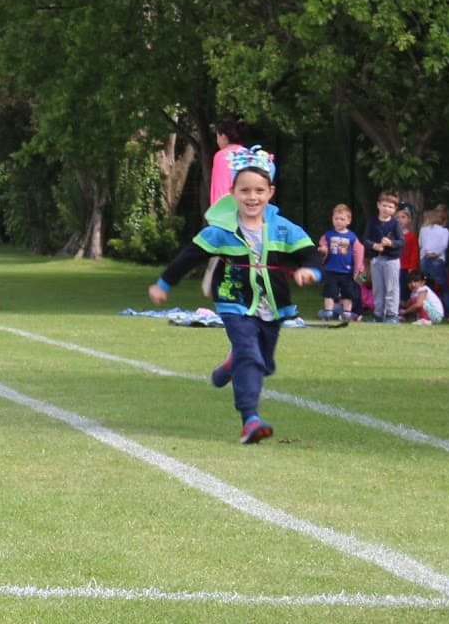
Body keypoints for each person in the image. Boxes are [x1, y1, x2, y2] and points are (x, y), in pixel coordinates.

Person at [148, 147, 320, 444]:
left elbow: (311, 254)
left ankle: (230, 365)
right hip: (234, 301)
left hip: (272, 306)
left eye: (259, 191)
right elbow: (188, 257)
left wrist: (311, 271)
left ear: (270, 192)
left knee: (264, 363)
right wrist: (163, 284)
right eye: (245, 191)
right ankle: (250, 420)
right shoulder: (221, 231)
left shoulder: (283, 228)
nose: (252, 197)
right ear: (233, 193)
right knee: (250, 356)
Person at [315, 204, 363, 321]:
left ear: (348, 221)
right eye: (336, 218)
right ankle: (328, 312)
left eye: (342, 219)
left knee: (348, 293)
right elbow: (322, 247)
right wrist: (322, 250)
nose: (338, 221)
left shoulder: (352, 237)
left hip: (347, 271)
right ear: (332, 219)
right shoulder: (328, 235)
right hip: (331, 269)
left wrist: (358, 268)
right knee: (329, 292)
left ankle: (347, 313)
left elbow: (359, 252)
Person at [363, 192, 402, 323]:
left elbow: (401, 242)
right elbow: (366, 239)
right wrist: (374, 246)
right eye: (384, 205)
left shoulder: (395, 224)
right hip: (376, 259)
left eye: (390, 207)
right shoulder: (372, 222)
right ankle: (378, 314)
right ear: (378, 205)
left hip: (391, 260)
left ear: (395, 209)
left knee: (391, 288)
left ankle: (392, 315)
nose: (387, 209)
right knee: (378, 289)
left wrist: (390, 243)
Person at [418, 206, 449, 316]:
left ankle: (431, 312)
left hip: (424, 260)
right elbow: (444, 245)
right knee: (445, 289)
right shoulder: (444, 231)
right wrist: (436, 253)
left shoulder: (423, 229)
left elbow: (420, 243)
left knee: (429, 288)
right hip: (437, 260)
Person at [207, 119, 250, 205]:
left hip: (228, 208)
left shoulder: (223, 155)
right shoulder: (249, 154)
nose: (217, 141)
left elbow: (221, 187)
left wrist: (218, 209)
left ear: (223, 136)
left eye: (217, 137)